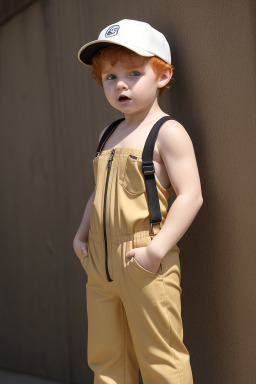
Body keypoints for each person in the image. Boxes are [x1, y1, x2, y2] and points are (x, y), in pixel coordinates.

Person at [74, 18, 203, 384]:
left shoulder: (168, 132)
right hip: (100, 263)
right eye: (110, 77)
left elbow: (191, 196)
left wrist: (156, 250)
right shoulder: (108, 134)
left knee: (160, 355)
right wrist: (80, 236)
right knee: (107, 357)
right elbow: (99, 191)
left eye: (133, 72)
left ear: (162, 76)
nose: (120, 85)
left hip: (145, 258)